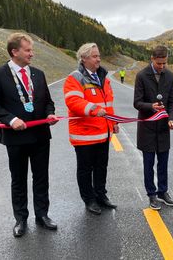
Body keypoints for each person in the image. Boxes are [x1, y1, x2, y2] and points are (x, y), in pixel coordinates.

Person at [0, 33, 58, 237]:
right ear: (14, 51)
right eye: (27, 50)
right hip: (16, 138)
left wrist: (50, 113)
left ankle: (42, 216)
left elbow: (47, 101)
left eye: (31, 50)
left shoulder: (38, 74)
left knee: (41, 177)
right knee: (18, 179)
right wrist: (11, 119)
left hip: (41, 136)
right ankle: (21, 219)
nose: (31, 54)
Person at [63, 43, 119, 215]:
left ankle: (101, 195)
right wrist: (94, 110)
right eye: (94, 56)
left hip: (103, 134)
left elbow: (108, 104)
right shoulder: (74, 78)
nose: (98, 59)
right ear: (84, 58)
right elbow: (73, 102)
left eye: (99, 56)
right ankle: (89, 199)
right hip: (85, 135)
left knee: (102, 167)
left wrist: (113, 122)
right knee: (85, 169)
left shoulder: (103, 77)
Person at [133, 45, 173, 210]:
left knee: (163, 163)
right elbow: (137, 103)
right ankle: (151, 194)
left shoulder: (170, 76)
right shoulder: (141, 76)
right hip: (147, 128)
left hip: (164, 128)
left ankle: (163, 192)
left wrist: (171, 119)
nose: (162, 66)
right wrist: (151, 106)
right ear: (152, 59)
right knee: (148, 163)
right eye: (159, 63)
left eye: (164, 63)